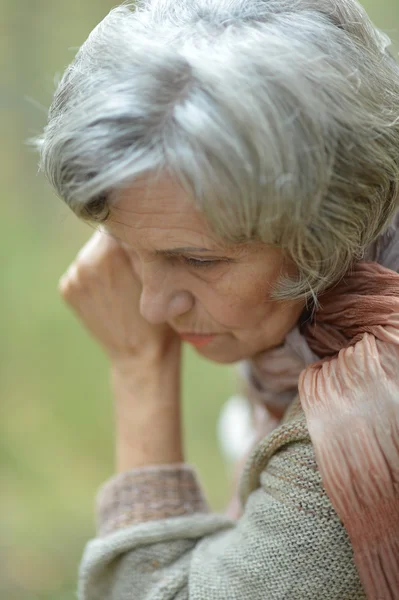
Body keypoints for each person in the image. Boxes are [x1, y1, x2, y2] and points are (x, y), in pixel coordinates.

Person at [33, 0, 399, 598]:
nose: (151, 306)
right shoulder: (312, 320)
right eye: (128, 247)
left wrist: (139, 371)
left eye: (196, 260)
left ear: (331, 228)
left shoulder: (372, 415)